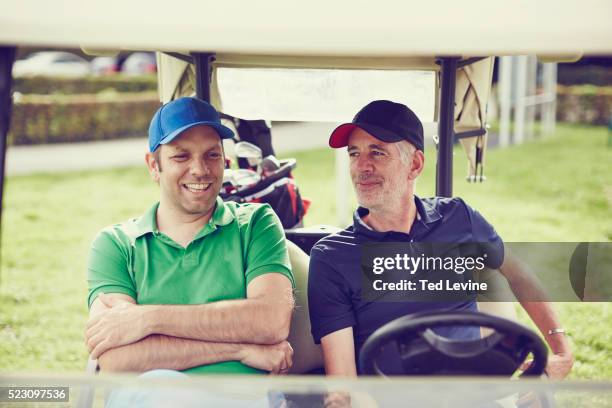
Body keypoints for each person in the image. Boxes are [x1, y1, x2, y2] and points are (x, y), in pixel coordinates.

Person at [307, 100, 574, 378]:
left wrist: (561, 351)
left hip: (476, 393)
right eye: (354, 153)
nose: (361, 166)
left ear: (415, 164)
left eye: (377, 153)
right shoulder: (332, 257)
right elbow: (344, 382)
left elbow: (519, 274)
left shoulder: (459, 219)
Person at [85, 97, 295, 377]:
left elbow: (271, 321)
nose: (199, 169)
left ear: (225, 160)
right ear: (153, 166)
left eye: (212, 154)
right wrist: (240, 349)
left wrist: (147, 319)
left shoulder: (257, 223)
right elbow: (117, 360)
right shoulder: (115, 244)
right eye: (181, 156)